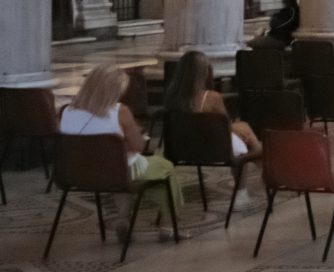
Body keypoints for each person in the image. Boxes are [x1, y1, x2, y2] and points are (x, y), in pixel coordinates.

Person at [62, 63, 176, 232]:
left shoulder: (66, 111)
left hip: (75, 173)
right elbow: (139, 147)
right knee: (165, 166)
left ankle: (123, 218)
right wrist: (138, 138)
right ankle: (168, 225)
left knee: (118, 167)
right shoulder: (120, 112)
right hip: (116, 173)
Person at [161, 50, 261, 166]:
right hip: (212, 148)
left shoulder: (171, 97)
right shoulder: (212, 98)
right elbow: (225, 127)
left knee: (243, 127)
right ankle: (248, 160)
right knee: (253, 140)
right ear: (204, 72)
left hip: (182, 147)